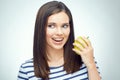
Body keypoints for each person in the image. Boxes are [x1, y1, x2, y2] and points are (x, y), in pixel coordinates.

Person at [17, 1, 101, 80]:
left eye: (64, 26)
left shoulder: (86, 59)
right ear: (40, 28)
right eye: (51, 26)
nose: (59, 33)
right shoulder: (26, 69)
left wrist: (90, 64)